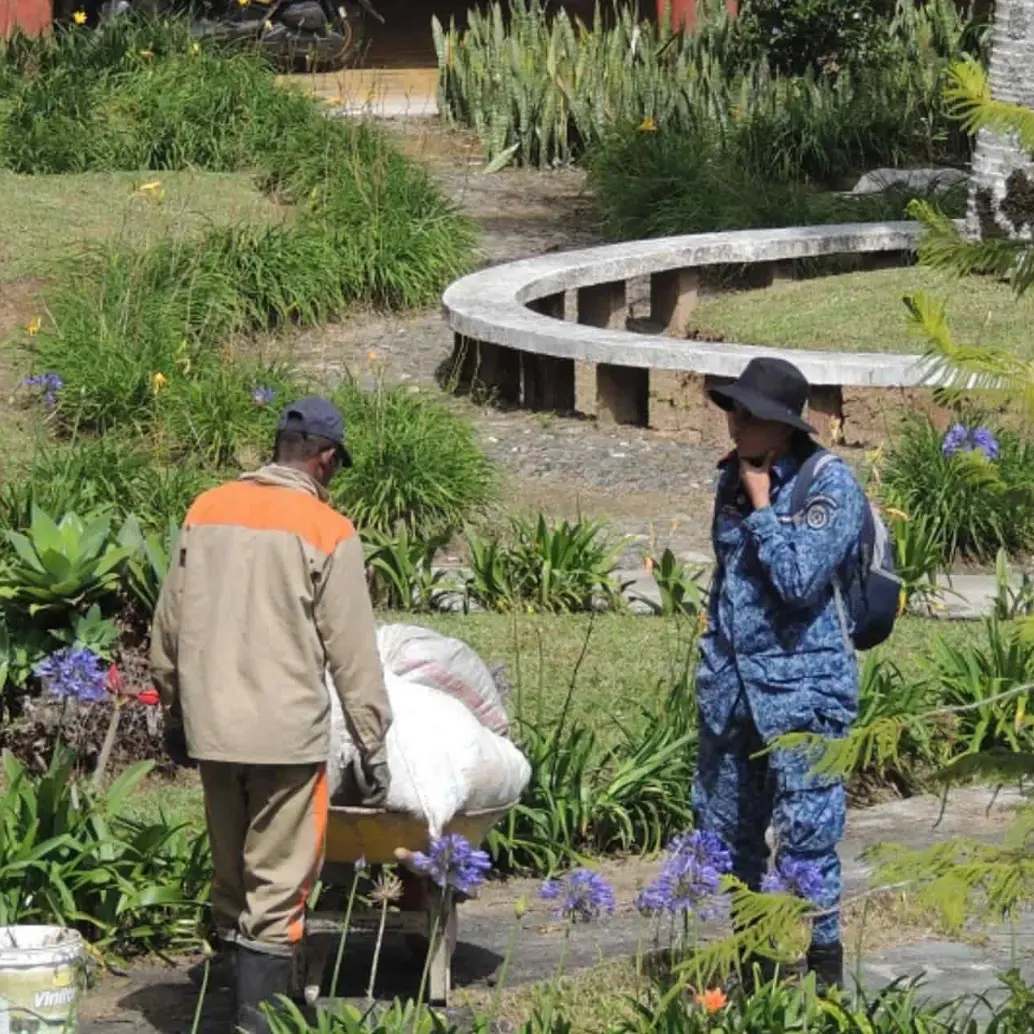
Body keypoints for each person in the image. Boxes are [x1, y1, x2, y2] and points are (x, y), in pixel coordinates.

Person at [150, 397, 393, 1034]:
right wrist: (373, 747)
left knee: (230, 871)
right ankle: (261, 1024)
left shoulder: (207, 510)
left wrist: (176, 712)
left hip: (212, 730)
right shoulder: (328, 530)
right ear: (326, 459)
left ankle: (227, 1004)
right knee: (279, 882)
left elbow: (169, 624)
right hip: (286, 739)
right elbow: (353, 652)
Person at [693, 357, 867, 992]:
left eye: (747, 412)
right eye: (733, 409)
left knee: (807, 839)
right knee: (731, 836)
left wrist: (766, 507)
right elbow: (727, 583)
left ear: (781, 423)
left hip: (802, 695)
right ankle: (755, 973)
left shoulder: (830, 487)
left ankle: (823, 976)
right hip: (734, 694)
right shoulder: (733, 479)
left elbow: (798, 581)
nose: (733, 421)